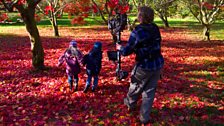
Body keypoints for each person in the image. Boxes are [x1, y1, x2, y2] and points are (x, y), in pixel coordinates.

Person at [116, 6, 164, 125]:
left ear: (141, 16)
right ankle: (144, 118)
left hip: (144, 65)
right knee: (149, 92)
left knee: (135, 86)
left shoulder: (138, 31)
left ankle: (130, 104)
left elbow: (128, 50)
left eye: (138, 14)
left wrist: (120, 48)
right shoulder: (155, 28)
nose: (137, 16)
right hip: (157, 64)